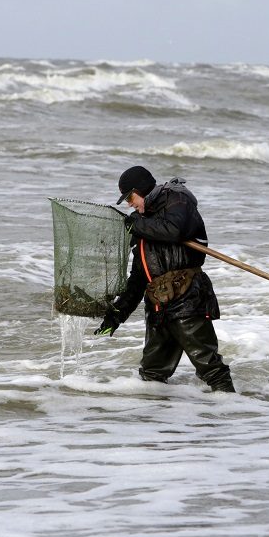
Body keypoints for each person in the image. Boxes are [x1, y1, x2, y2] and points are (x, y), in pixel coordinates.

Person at [95, 166, 235, 393]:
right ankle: (158, 422)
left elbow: (174, 230)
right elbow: (139, 278)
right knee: (152, 376)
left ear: (141, 190)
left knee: (210, 369)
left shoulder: (177, 199)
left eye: (130, 197)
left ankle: (233, 414)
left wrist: (137, 225)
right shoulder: (141, 224)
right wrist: (117, 315)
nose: (129, 204)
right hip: (158, 307)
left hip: (187, 299)